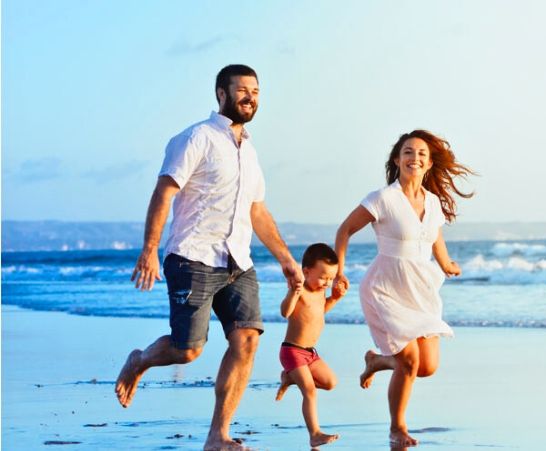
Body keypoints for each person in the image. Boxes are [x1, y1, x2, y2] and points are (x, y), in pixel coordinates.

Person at [114, 64, 303, 451]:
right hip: (192, 257)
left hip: (238, 262)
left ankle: (218, 435)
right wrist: (150, 250)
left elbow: (257, 211)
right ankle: (140, 360)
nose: (250, 97)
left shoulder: (250, 152)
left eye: (256, 91)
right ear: (221, 94)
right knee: (187, 350)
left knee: (247, 341)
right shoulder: (196, 137)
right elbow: (164, 192)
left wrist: (285, 258)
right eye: (242, 90)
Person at [334, 129, 474, 447]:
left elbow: (434, 236)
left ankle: (378, 361)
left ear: (429, 163)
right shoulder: (383, 198)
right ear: (397, 160)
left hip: (420, 288)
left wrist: (446, 263)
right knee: (409, 360)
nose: (415, 158)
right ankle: (397, 428)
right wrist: (340, 272)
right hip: (385, 287)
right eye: (408, 152)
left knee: (427, 367)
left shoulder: (433, 202)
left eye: (422, 153)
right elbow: (345, 230)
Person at [273, 243, 346, 447]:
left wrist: (335, 298)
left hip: (310, 354)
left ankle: (290, 378)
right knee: (310, 391)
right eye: (323, 277)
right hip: (292, 351)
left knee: (330, 383)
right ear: (306, 272)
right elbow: (285, 312)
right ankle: (315, 433)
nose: (327, 283)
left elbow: (319, 311)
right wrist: (293, 293)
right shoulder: (300, 291)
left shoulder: (320, 292)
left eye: (331, 278)